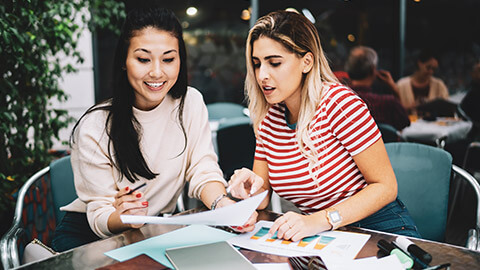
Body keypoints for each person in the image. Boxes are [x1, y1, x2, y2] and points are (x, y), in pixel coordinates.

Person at [52, 7, 252, 252]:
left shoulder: (190, 103)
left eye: (168, 59)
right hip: (91, 237)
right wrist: (124, 214)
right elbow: (99, 214)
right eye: (143, 59)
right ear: (124, 62)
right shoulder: (96, 126)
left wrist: (222, 205)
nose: (157, 72)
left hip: (150, 231)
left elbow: (202, 168)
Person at [228, 10, 420, 242]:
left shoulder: (339, 104)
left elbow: (386, 187)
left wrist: (318, 220)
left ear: (306, 62)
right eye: (257, 64)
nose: (262, 75)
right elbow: (263, 196)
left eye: (275, 63)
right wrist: (248, 188)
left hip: (379, 230)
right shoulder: (269, 120)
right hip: (325, 237)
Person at [345, 46, 410, 130]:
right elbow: (405, 122)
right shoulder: (388, 103)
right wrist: (394, 88)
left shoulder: (340, 100)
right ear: (372, 70)